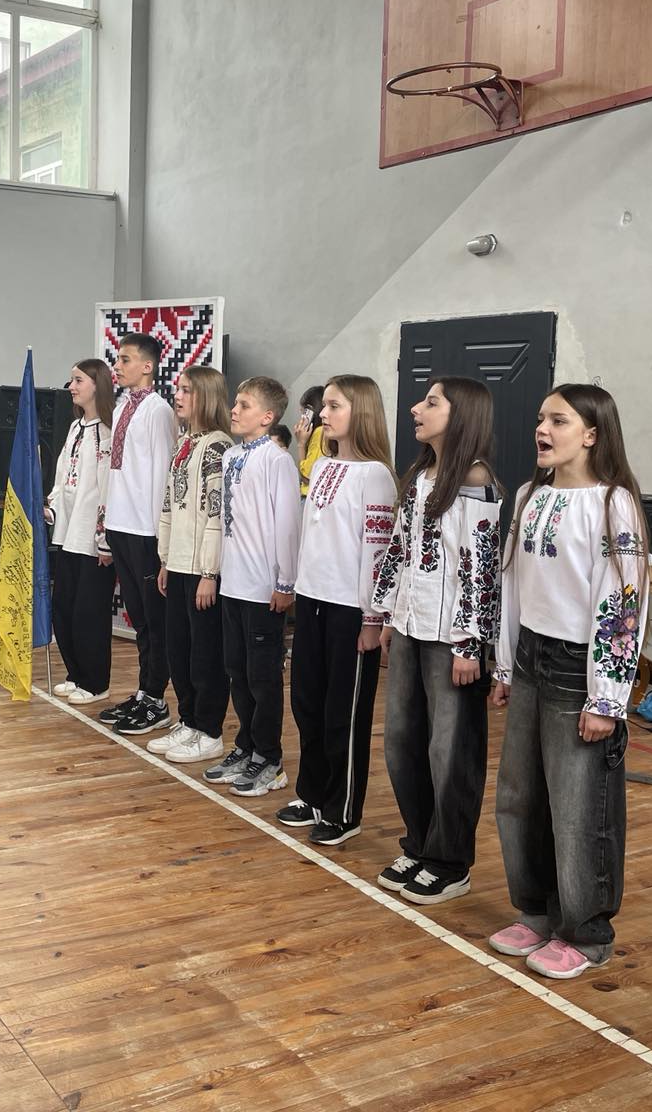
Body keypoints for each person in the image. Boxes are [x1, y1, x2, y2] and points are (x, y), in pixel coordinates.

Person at [489, 384, 649, 980]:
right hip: (531, 656)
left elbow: (622, 604)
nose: (543, 429)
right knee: (520, 796)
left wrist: (606, 696)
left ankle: (586, 931)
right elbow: (511, 583)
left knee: (579, 806)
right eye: (541, 418)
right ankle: (536, 910)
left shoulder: (614, 504)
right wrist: (506, 663)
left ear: (591, 434)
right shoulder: (529, 495)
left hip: (579, 666)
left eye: (558, 420)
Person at [373, 377, 502, 906]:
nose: (416, 408)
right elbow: (399, 548)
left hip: (451, 638)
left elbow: (482, 566)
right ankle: (420, 841)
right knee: (402, 742)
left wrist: (471, 644)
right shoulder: (419, 475)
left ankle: (449, 861)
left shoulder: (476, 480)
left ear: (462, 415)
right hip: (409, 625)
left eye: (431, 402)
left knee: (450, 751)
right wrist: (386, 611)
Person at [282, 374, 395, 847]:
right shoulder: (325, 466)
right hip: (313, 599)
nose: (322, 415)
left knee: (342, 714)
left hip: (351, 610)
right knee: (307, 703)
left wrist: (373, 618)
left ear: (360, 412)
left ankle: (343, 809)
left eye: (333, 406)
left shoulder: (376, 475)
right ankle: (311, 793)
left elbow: (378, 551)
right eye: (323, 406)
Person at [204, 376, 300, 797]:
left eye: (244, 405)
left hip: (263, 587)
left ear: (267, 416)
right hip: (234, 583)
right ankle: (245, 745)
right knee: (237, 672)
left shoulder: (277, 460)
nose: (234, 410)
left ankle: (269, 757)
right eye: (235, 403)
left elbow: (287, 524)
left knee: (263, 678)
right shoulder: (232, 456)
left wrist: (285, 581)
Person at [140, 366, 232, 761]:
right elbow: (168, 505)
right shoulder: (184, 443)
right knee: (178, 649)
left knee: (204, 653)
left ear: (207, 397)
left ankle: (209, 729)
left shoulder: (217, 447)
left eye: (187, 390)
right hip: (177, 563)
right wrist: (164, 559)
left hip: (200, 569)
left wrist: (209, 572)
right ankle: (189, 719)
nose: (178, 396)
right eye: (178, 389)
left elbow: (216, 514)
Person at [98, 333, 179, 730]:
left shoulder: (158, 411)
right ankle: (144, 691)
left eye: (126, 359)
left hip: (145, 530)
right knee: (139, 619)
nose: (118, 366)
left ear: (147, 366)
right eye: (118, 359)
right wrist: (107, 524)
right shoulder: (121, 407)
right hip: (121, 523)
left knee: (154, 620)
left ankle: (156, 698)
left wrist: (160, 538)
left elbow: (162, 473)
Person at [44, 360, 116, 705]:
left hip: (92, 539)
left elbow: (107, 488)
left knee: (90, 614)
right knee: (65, 608)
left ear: (97, 385)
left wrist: (105, 540)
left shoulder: (108, 431)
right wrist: (51, 507)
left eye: (78, 380)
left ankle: (96, 681)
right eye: (71, 380)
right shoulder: (75, 428)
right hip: (67, 534)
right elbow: (63, 479)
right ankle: (75, 673)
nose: (71, 387)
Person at [293, 385, 327, 497]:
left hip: (309, 496)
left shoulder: (320, 432)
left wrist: (301, 444)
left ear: (310, 411)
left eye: (303, 411)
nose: (302, 416)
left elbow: (307, 476)